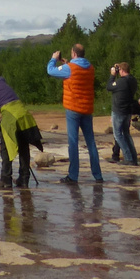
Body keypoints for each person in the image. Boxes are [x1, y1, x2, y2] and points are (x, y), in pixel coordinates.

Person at [47, 44, 104, 184]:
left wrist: (53, 59)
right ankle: (98, 175)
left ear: (73, 53)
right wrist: (67, 64)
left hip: (73, 108)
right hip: (87, 108)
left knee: (73, 142)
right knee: (91, 142)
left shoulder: (69, 69)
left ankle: (73, 176)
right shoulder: (90, 68)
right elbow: (77, 73)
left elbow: (50, 71)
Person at [0, 74, 43, 188]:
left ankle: (5, 180)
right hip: (24, 115)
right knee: (23, 148)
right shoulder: (0, 82)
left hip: (11, 118)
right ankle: (24, 179)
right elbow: (1, 77)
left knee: (5, 149)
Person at [106, 62, 139, 167]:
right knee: (126, 134)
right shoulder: (133, 80)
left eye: (119, 69)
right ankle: (133, 158)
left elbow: (109, 87)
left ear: (122, 70)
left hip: (119, 111)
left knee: (118, 135)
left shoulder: (121, 82)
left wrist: (112, 75)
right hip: (127, 111)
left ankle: (128, 158)